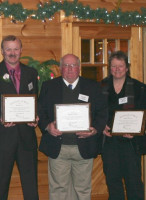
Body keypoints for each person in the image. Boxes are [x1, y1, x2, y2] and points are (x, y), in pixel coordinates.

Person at [38, 54, 107, 200]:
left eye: (73, 65)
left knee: (82, 190)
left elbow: (102, 112)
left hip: (84, 146)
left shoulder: (93, 86)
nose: (70, 69)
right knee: (58, 189)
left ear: (79, 68)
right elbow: (40, 111)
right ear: (60, 68)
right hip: (58, 147)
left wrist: (94, 129)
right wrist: (47, 126)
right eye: (66, 66)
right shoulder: (49, 86)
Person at [0, 35, 39, 200]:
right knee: (0, 186)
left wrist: (35, 117)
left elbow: (36, 100)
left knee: (31, 186)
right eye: (8, 49)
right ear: (2, 51)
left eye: (15, 49)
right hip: (2, 139)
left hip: (27, 138)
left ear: (21, 51)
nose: (12, 53)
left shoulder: (31, 73)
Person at [101, 51, 146, 200]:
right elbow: (95, 112)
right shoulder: (101, 87)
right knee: (113, 183)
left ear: (127, 68)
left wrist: (137, 131)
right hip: (110, 143)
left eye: (121, 66)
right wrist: (102, 127)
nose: (117, 69)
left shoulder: (140, 88)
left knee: (134, 184)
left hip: (131, 144)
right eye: (114, 66)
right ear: (110, 68)